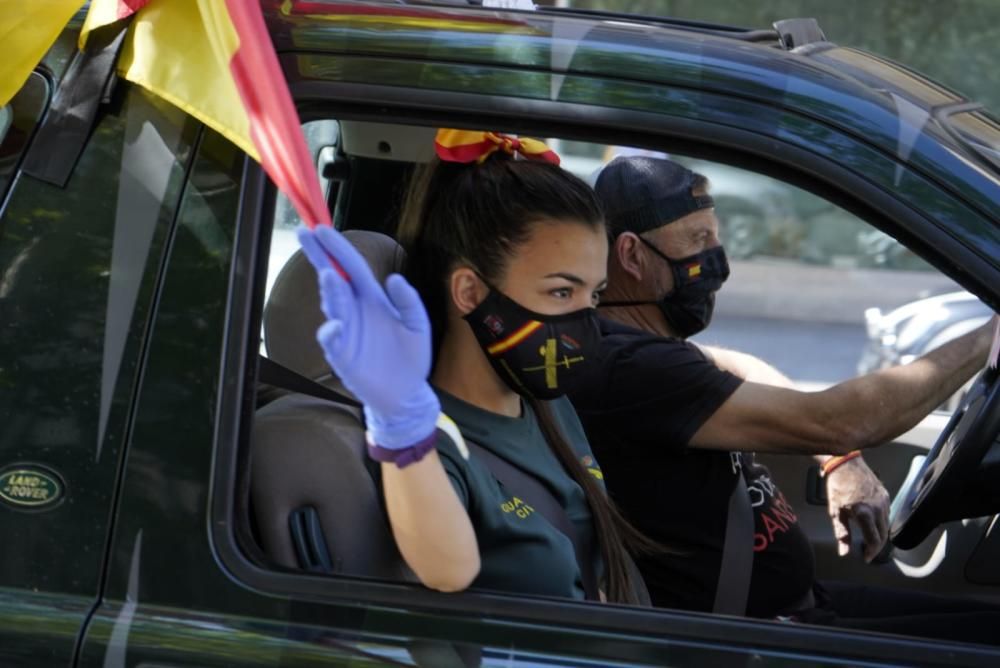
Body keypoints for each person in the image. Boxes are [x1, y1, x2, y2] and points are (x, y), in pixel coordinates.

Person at [569, 155, 1000, 641]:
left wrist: (837, 460)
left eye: (716, 235)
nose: (717, 259)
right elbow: (844, 419)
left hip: (803, 607)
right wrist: (987, 337)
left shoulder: (643, 347)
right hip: (751, 638)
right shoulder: (631, 368)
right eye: (697, 239)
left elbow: (738, 366)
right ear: (630, 255)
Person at [296, 130, 653, 604]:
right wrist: (401, 422)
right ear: (470, 292)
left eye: (596, 294)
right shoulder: (431, 443)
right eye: (562, 293)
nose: (586, 320)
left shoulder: (547, 404)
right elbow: (449, 567)